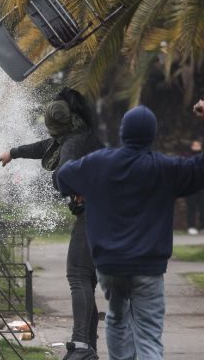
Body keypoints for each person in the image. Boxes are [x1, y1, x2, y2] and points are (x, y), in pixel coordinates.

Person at [56, 103, 204, 359]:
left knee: (117, 318)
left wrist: (75, 165)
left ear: (123, 132)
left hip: (109, 266)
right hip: (148, 267)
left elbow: (62, 177)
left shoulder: (97, 164)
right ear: (152, 135)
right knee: (147, 333)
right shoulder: (165, 168)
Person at [0, 88, 103, 360]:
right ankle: (88, 344)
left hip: (95, 215)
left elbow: (64, 172)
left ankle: (81, 346)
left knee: (77, 276)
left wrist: (69, 186)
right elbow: (45, 147)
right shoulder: (77, 135)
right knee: (86, 279)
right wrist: (14, 152)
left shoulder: (72, 143)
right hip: (102, 212)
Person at [184, 139, 204, 235]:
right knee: (191, 207)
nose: (196, 147)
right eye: (194, 145)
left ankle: (202, 227)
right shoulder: (187, 157)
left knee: (202, 207)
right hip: (190, 186)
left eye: (198, 145)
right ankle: (191, 226)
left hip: (201, 187)